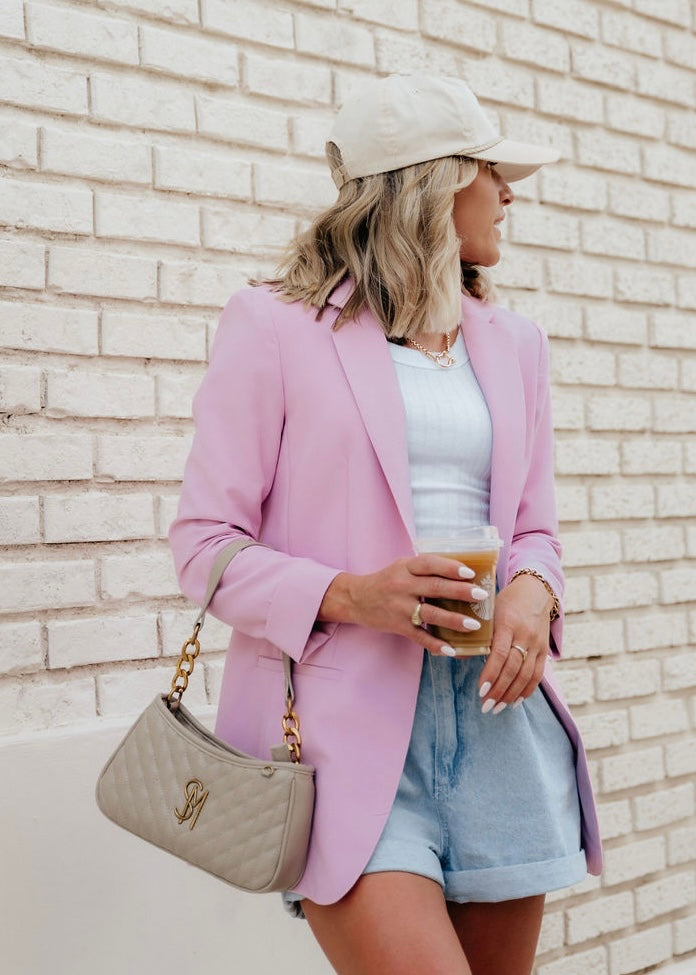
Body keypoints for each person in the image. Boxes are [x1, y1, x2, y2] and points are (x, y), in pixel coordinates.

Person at [169, 74, 602, 975]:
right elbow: (204, 545)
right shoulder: (274, 327)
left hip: (494, 720)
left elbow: (537, 532)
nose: (511, 193)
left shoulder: (515, 344)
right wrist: (350, 594)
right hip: (347, 737)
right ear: (439, 181)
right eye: (494, 170)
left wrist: (531, 588)